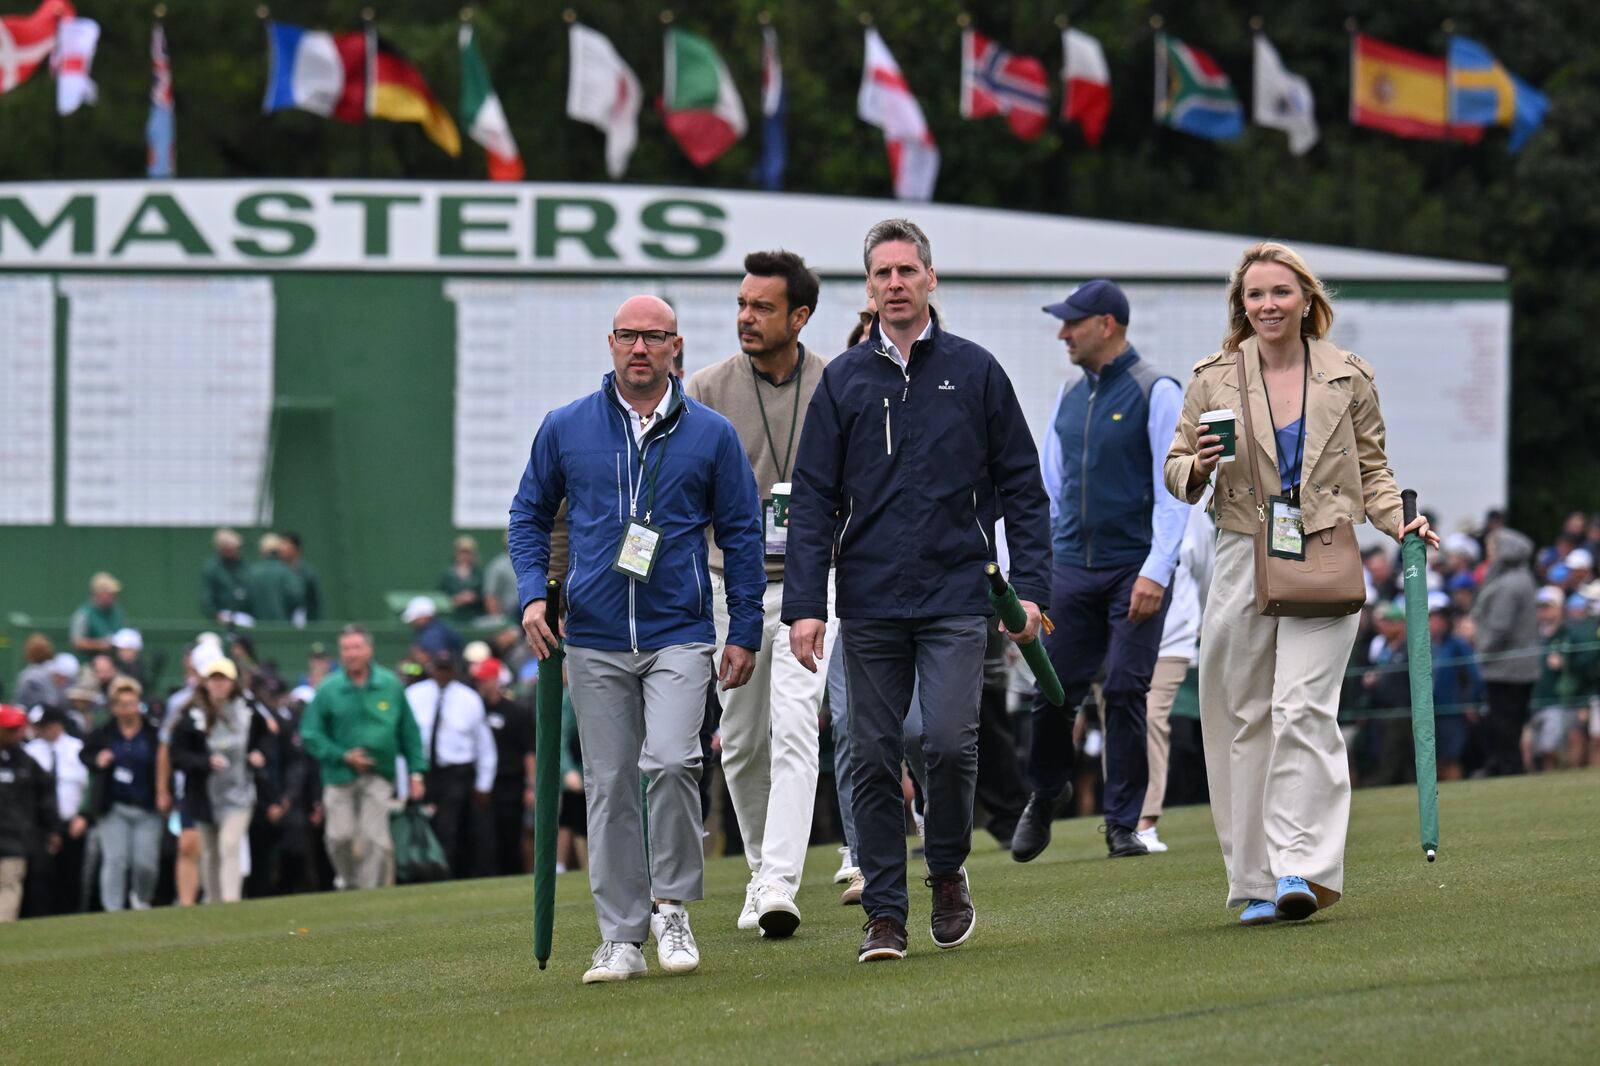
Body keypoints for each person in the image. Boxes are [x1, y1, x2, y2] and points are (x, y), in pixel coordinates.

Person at [782, 219, 1051, 964]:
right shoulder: (842, 380)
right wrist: (805, 606)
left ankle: (946, 869)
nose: (894, 284)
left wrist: (1029, 589)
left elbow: (1025, 489)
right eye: (881, 273)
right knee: (866, 756)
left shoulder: (975, 371)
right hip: (866, 601)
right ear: (867, 288)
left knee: (946, 743)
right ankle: (884, 913)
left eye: (907, 270)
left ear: (930, 279)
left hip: (957, 597)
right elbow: (812, 500)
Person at [1164, 241, 1438, 926]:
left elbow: (1374, 471)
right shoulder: (1212, 379)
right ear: (1241, 305)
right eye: (1254, 295)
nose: (1266, 306)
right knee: (1243, 717)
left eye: (1279, 293)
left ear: (1307, 299)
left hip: (1324, 552)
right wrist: (1195, 466)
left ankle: (1300, 867)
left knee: (1302, 709)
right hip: (1240, 551)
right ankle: (1256, 881)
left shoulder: (1350, 376)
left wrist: (1397, 524)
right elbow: (1174, 469)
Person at [509, 293, 765, 984]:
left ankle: (671, 905)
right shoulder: (566, 428)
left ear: (676, 346)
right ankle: (620, 938)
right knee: (610, 785)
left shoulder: (710, 434)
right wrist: (534, 593)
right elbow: (528, 515)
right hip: (591, 635)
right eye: (629, 336)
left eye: (655, 337)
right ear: (611, 342)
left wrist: (743, 628)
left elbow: (742, 534)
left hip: (679, 629)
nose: (641, 349)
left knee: (675, 762)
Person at [683, 249, 834, 937]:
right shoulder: (707, 389)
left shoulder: (835, 385)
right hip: (729, 587)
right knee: (740, 744)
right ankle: (758, 871)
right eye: (742, 303)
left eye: (762, 306)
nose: (746, 316)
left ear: (798, 317)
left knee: (798, 728)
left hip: (814, 583)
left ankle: (777, 880)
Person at [1015, 279, 1189, 862]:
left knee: (1124, 692)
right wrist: (1037, 574)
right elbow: (1050, 490)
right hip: (1071, 567)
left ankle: (1122, 825)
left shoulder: (1157, 391)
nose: (1062, 332)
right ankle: (1045, 792)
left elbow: (1175, 493)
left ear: (1107, 325)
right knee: (1051, 691)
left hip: (1132, 568)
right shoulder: (1069, 396)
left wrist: (1156, 570)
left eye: (1073, 322)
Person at [300, 626, 427, 891]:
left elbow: (408, 731)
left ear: (369, 650)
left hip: (378, 772)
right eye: (347, 648)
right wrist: (341, 755)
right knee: (339, 836)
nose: (352, 653)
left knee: (375, 838)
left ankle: (371, 894)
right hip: (339, 774)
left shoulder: (390, 684)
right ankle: (348, 881)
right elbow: (310, 733)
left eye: (357, 647)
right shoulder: (329, 688)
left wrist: (416, 772)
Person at [1129, 500, 1215, 853]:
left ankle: (1144, 822)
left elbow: (1207, 571)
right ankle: (1122, 818)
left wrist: (1208, 624)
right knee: (1118, 720)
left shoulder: (1189, 507)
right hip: (1117, 634)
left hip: (1174, 636)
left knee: (1151, 718)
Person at [170, 658, 274, 904]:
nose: (218, 685)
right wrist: (204, 762)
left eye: (223, 679)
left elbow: (267, 738)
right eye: (213, 679)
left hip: (239, 793)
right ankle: (214, 902)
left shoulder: (247, 712)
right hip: (204, 796)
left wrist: (258, 754)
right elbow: (178, 756)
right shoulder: (191, 716)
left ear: (232, 683)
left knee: (229, 844)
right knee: (210, 852)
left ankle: (231, 900)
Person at [404, 650, 497, 878]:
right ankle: (421, 873)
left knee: (450, 826)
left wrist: (484, 783)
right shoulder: (414, 695)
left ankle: (445, 873)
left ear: (454, 670)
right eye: (439, 668)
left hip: (456, 773)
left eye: (447, 668)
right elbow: (404, 739)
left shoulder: (469, 698)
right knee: (422, 825)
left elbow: (484, 745)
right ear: (432, 669)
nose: (442, 673)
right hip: (423, 771)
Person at [81, 678, 165, 912]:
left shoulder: (152, 733)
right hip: (114, 807)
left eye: (133, 703)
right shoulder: (104, 732)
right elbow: (85, 755)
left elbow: (165, 762)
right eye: (123, 704)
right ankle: (113, 911)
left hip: (147, 807)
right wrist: (98, 759)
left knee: (145, 864)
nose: (129, 708)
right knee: (115, 860)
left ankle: (141, 898)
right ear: (114, 707)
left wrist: (163, 792)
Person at [1472, 527, 1539, 776]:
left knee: (1504, 723)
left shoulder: (1509, 584)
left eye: (1492, 548)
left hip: (1507, 667)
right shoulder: (1521, 577)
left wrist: (1481, 646)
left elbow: (1500, 626)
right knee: (1509, 721)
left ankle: (1508, 767)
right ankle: (1500, 764)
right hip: (1517, 665)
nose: (1489, 553)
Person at [23, 707, 89, 916]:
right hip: (40, 824)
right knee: (40, 876)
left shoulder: (78, 748)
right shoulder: (30, 751)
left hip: (72, 823)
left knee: (70, 875)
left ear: (56, 725)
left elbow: (89, 786)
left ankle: (71, 917)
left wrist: (85, 815)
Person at [471, 658, 534, 876]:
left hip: (511, 781)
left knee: (511, 833)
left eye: (486, 679)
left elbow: (529, 752)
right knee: (485, 834)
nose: (482, 684)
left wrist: (531, 786)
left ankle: (513, 873)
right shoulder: (475, 708)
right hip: (483, 783)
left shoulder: (517, 712)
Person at [0, 704, 59, 922]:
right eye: (10, 729)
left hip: (14, 839)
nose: (17, 733)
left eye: (18, 728)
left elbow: (46, 796)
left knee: (10, 887)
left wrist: (53, 828)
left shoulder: (25, 761)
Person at [247, 533, 306, 625]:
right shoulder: (286, 571)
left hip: (257, 629)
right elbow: (296, 596)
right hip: (283, 628)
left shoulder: (252, 572)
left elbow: (244, 599)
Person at [201, 528, 253, 622]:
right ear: (222, 549)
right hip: (223, 617)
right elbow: (207, 598)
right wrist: (215, 614)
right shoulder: (212, 568)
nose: (235, 551)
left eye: (236, 548)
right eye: (230, 548)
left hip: (245, 616)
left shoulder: (244, 566)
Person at [70, 572, 125, 655]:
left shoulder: (117, 612)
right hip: (89, 664)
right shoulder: (83, 614)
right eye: (110, 594)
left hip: (114, 664)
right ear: (98, 593)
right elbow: (77, 642)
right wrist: (101, 645)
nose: (113, 596)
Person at [401, 596, 464, 664]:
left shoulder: (433, 633)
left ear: (425, 616)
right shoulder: (432, 630)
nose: (413, 622)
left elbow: (441, 661)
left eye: (415, 618)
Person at [439, 535, 486, 623]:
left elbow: (486, 596)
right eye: (462, 552)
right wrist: (455, 600)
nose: (465, 556)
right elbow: (440, 596)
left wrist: (474, 597)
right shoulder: (447, 575)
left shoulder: (480, 574)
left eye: (468, 553)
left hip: (476, 618)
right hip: (452, 618)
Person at [12, 634, 63, 714]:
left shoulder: (27, 675)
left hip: (36, 719)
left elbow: (20, 703)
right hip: (54, 717)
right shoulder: (57, 672)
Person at [279, 532, 323, 624]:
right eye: (281, 544)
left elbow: (315, 605)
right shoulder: (278, 572)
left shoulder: (308, 574)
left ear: (296, 548)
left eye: (285, 544)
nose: (281, 548)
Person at [482, 533, 520, 625]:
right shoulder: (498, 566)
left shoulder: (528, 562)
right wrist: (498, 621)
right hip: (509, 617)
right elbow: (490, 596)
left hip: (530, 611)